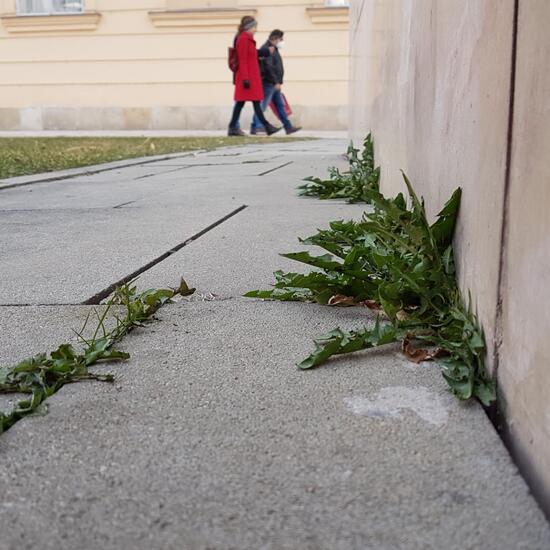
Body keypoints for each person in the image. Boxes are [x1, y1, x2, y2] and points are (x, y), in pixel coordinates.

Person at [228, 16, 281, 137]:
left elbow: (253, 54)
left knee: (248, 102)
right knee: (251, 102)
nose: (256, 29)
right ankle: (266, 127)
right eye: (254, 27)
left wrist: (266, 51)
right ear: (249, 27)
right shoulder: (243, 39)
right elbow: (242, 60)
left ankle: (233, 128)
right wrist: (246, 79)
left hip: (251, 76)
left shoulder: (248, 39)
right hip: (247, 77)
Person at [250, 29, 302, 136]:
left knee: (280, 106)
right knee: (262, 105)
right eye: (280, 39)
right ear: (274, 38)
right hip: (268, 83)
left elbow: (276, 66)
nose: (282, 41)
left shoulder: (274, 49)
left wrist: (278, 82)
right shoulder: (267, 49)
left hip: (274, 83)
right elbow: (269, 67)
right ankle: (256, 127)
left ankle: (288, 127)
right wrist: (275, 82)